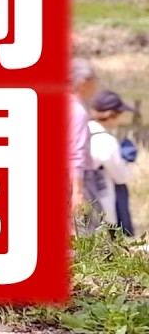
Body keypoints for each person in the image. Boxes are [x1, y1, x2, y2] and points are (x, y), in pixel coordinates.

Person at [89, 89, 136, 237]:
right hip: (103, 204)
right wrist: (126, 159)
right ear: (111, 115)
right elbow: (121, 176)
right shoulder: (106, 141)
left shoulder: (82, 132)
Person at [70, 58, 103, 232]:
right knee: (91, 233)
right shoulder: (78, 112)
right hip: (79, 179)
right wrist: (78, 191)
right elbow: (77, 153)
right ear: (84, 82)